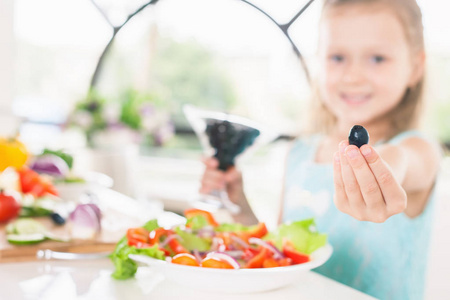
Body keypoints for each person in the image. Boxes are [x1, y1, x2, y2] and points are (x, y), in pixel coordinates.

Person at [199, 0, 442, 299]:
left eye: (377, 58)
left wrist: (388, 163)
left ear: (415, 67)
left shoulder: (420, 147)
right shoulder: (299, 153)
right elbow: (282, 251)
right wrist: (241, 207)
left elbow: (408, 160)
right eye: (337, 57)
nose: (353, 76)